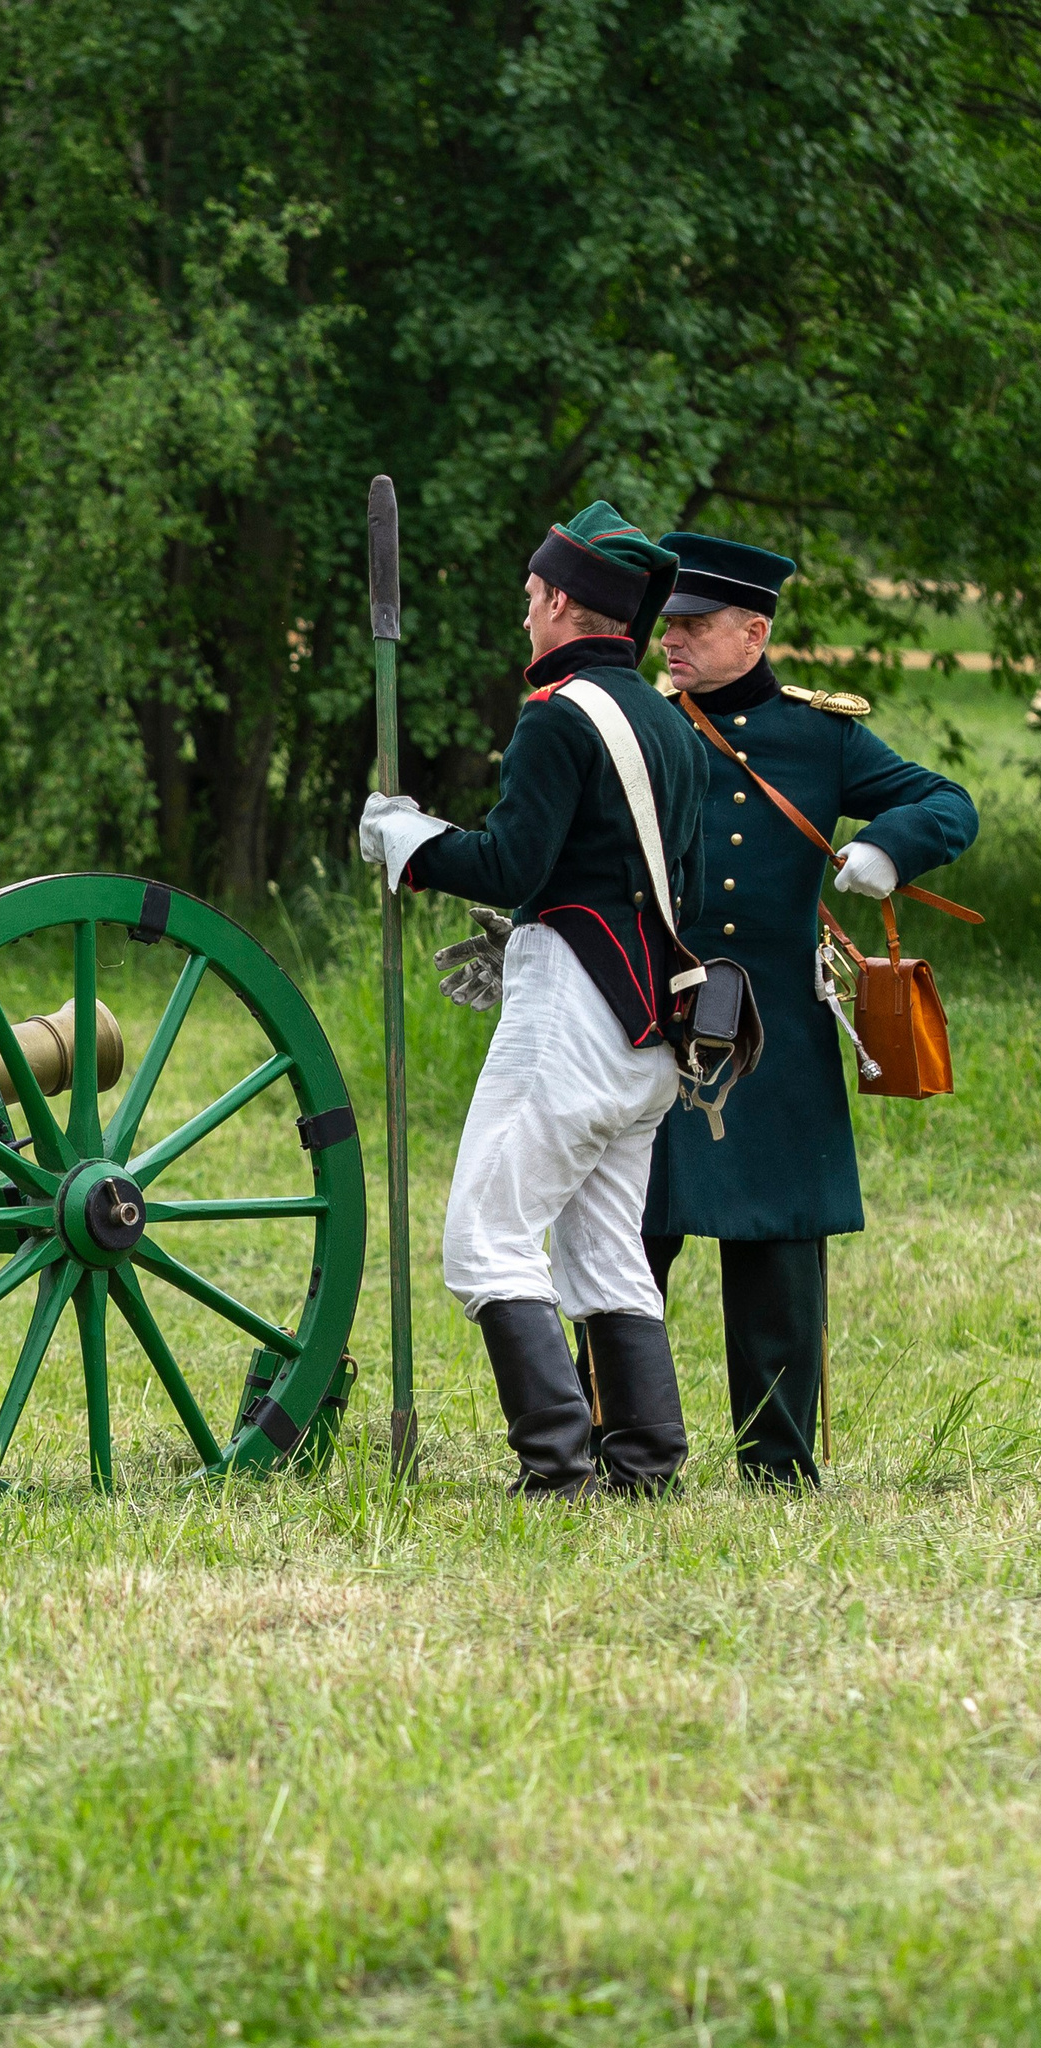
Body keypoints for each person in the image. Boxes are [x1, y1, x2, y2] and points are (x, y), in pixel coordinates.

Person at [360, 502, 707, 1498]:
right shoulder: (666, 723)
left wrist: (411, 842)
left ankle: (557, 1467)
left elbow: (514, 861)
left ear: (560, 598)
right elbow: (628, 875)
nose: (523, 619)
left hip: (573, 1007)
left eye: (528, 599)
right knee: (603, 1252)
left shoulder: (559, 716)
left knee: (484, 1237)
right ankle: (643, 1463)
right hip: (648, 1026)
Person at [642, 532, 978, 1485]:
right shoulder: (650, 725)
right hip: (654, 1005)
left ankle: (778, 1463)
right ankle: (621, 1442)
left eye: (695, 627)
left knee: (779, 1244)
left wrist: (892, 846)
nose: (672, 642)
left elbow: (949, 800)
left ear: (754, 633)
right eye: (670, 625)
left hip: (773, 1023)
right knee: (629, 1233)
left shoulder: (820, 735)